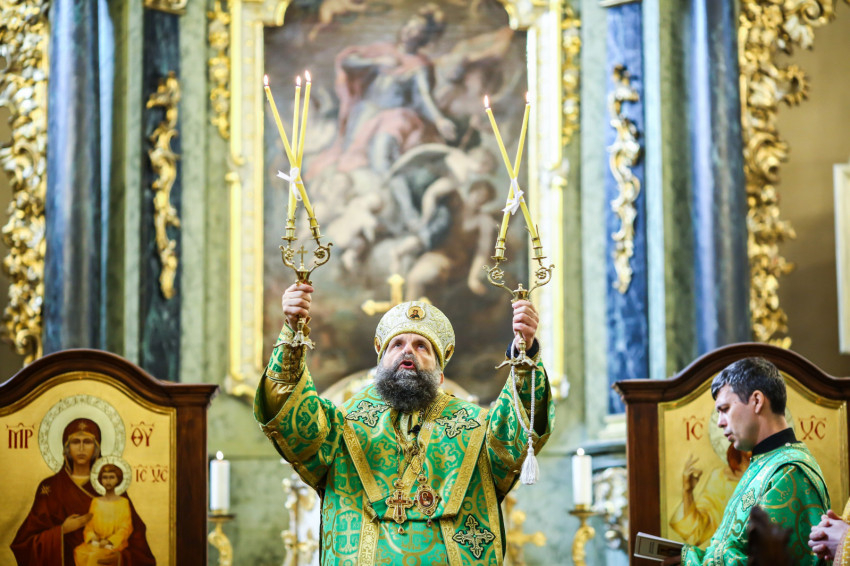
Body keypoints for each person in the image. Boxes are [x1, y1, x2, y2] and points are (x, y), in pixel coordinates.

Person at [254, 284, 553, 565]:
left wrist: (524, 353)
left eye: (422, 346)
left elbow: (514, 435)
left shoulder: (477, 427)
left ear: (440, 375)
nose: (408, 351)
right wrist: (292, 334)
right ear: (380, 364)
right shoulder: (340, 426)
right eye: (397, 344)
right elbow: (293, 421)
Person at [662, 357, 829, 565]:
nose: (720, 423)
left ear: (757, 401)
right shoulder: (764, 462)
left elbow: (769, 561)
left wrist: (690, 561)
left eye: (725, 409)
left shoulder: (789, 471)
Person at [11, 418, 155, 566]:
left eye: (87, 442)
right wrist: (62, 531)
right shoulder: (50, 487)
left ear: (96, 447)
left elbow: (136, 539)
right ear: (67, 447)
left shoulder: (113, 488)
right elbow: (24, 544)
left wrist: (120, 559)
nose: (81, 448)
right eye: (75, 442)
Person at [74, 461, 133, 566]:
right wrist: (93, 537)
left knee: (94, 557)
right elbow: (89, 525)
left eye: (111, 477)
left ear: (118, 479)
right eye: (105, 477)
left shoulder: (123, 502)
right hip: (97, 543)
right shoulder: (96, 501)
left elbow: (126, 527)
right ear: (101, 480)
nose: (108, 481)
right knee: (79, 552)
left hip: (114, 544)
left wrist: (110, 541)